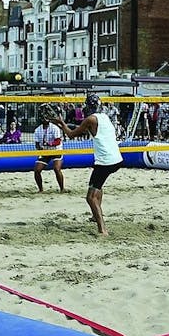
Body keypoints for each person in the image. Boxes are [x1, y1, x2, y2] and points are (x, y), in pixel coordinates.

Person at [51, 94, 123, 236]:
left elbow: (71, 134)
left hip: (105, 161)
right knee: (97, 186)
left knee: (90, 197)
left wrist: (61, 123)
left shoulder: (90, 119)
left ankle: (102, 230)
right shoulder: (105, 117)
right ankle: (95, 215)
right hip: (116, 159)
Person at [32, 114, 65, 193]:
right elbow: (37, 144)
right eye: (43, 118)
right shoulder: (37, 130)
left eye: (47, 117)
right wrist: (40, 148)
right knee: (37, 170)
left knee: (56, 169)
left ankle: (62, 189)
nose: (45, 119)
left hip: (56, 150)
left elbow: (58, 141)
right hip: (45, 151)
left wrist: (49, 144)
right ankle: (41, 190)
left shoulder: (54, 127)